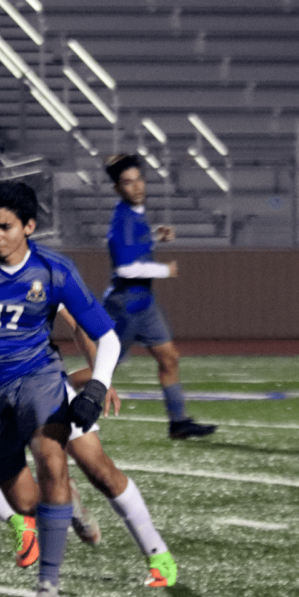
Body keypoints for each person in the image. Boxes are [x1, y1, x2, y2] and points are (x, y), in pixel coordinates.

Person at [0, 176, 180, 589]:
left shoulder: (39, 265)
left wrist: (99, 379)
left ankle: (157, 552)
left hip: (42, 381)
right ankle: (29, 519)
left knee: (98, 467)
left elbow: (78, 323)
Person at [103, 154, 215, 440]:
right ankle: (54, 397)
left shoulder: (136, 215)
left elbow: (135, 245)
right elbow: (126, 268)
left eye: (139, 179)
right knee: (102, 370)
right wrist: (164, 269)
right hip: (125, 305)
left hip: (144, 303)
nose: (137, 186)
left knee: (169, 358)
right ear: (117, 189)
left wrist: (155, 236)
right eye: (128, 183)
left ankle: (178, 422)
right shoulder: (122, 220)